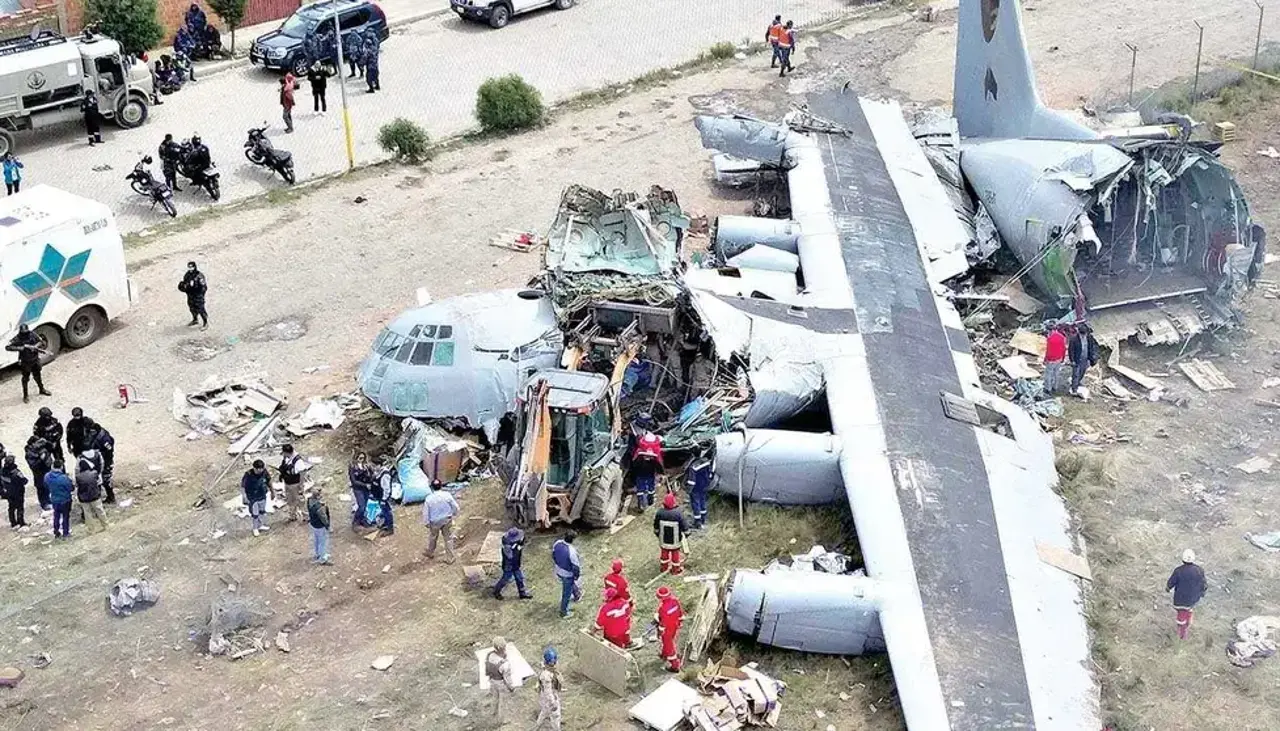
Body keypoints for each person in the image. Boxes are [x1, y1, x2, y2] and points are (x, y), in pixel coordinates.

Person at [1167, 549, 1207, 640]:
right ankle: (1188, 621)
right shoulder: (1199, 570)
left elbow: (1171, 582)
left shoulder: (1178, 571)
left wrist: (1168, 588)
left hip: (1180, 599)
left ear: (1183, 559)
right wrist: (1202, 592)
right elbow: (1204, 584)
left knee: (1181, 615)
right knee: (1189, 608)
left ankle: (1182, 635)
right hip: (1193, 599)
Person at [7, 323, 51, 402]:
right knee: (25, 379)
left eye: (26, 332)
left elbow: (41, 341)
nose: (25, 334)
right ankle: (25, 395)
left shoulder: (32, 334)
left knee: (38, 376)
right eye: (23, 332)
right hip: (25, 361)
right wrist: (22, 347)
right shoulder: (18, 338)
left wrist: (35, 346)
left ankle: (41, 389)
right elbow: (8, 347)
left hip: (35, 359)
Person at [422, 479, 460, 561]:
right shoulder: (447, 495)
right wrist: (455, 513)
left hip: (434, 521)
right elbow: (455, 506)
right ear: (441, 486)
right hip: (447, 519)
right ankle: (450, 558)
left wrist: (426, 522)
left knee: (433, 537)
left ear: (432, 488)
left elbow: (426, 512)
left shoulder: (429, 499)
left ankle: (430, 552)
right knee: (448, 538)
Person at [493, 526, 533, 600]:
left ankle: (522, 593)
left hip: (516, 564)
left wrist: (519, 544)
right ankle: (496, 591)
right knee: (505, 579)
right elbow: (510, 556)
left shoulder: (514, 542)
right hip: (508, 566)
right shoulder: (507, 546)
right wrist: (517, 548)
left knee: (519, 578)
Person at [82, 418, 116, 504]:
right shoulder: (90, 432)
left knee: (106, 479)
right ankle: (97, 498)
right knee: (95, 479)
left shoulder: (103, 437)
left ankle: (111, 497)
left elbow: (109, 450)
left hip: (105, 461)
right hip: (95, 460)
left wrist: (102, 458)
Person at [654, 492, 688, 576]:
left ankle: (664, 568)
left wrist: (658, 535)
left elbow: (656, 526)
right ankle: (675, 570)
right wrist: (686, 534)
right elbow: (684, 526)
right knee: (675, 555)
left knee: (664, 554)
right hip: (675, 541)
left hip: (663, 540)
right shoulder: (678, 514)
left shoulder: (660, 513)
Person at [531, 646, 563, 731]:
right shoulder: (547, 676)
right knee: (555, 717)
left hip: (544, 699)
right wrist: (553, 704)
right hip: (549, 700)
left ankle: (536, 727)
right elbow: (548, 692)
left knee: (544, 712)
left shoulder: (546, 669)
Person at [75, 452, 108, 533]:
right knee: (100, 511)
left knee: (87, 514)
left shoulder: (78, 477)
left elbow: (76, 485)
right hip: (94, 496)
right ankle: (105, 525)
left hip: (84, 498)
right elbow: (98, 482)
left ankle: (91, 529)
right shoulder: (94, 473)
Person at [552, 530, 582, 618]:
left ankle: (577, 595)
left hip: (558, 569)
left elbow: (553, 555)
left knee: (569, 584)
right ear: (573, 539)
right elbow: (575, 566)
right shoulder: (571, 551)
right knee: (566, 593)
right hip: (567, 573)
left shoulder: (557, 543)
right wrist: (576, 575)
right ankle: (563, 612)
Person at [654, 586, 684, 672]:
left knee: (669, 645)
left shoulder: (662, 608)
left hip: (666, 629)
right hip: (675, 625)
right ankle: (664, 654)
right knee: (668, 641)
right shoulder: (675, 601)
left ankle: (675, 665)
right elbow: (680, 613)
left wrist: (660, 631)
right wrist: (679, 622)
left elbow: (662, 623)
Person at [632, 431, 663, 510]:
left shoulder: (639, 451)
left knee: (640, 488)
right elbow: (659, 463)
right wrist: (661, 472)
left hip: (640, 472)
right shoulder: (656, 450)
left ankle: (641, 505)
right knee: (650, 486)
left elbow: (634, 462)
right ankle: (650, 501)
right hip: (650, 472)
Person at [484, 637, 515, 717]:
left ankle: (492, 712)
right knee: (503, 702)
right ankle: (502, 719)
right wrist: (511, 687)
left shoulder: (490, 655)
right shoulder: (505, 664)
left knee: (494, 697)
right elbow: (507, 678)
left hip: (492, 680)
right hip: (501, 684)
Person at [1068, 323, 1099, 396]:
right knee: (1076, 374)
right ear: (1079, 332)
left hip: (1085, 359)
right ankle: (1074, 389)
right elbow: (1071, 350)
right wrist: (1072, 360)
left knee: (1082, 372)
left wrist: (1092, 358)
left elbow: (1091, 348)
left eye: (1084, 334)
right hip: (1077, 359)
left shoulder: (1089, 338)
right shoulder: (1074, 339)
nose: (1083, 336)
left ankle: (1077, 382)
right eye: (1082, 334)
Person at [24, 435, 53, 512]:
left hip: (47, 470)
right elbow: (33, 466)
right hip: (39, 473)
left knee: (47, 487)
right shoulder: (29, 453)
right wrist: (41, 459)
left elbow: (51, 447)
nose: (39, 444)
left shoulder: (41, 447)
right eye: (37, 442)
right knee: (41, 488)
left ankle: (48, 500)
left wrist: (46, 442)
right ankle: (44, 504)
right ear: (32, 443)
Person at [242, 459, 270, 537]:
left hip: (262, 495)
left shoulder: (264, 472)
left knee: (262, 511)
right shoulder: (248, 474)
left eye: (261, 469)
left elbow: (269, 481)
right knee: (255, 513)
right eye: (258, 469)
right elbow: (243, 486)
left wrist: (272, 491)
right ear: (254, 468)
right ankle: (255, 528)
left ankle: (260, 525)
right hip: (252, 497)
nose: (260, 471)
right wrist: (244, 496)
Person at [685, 448, 712, 529]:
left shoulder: (693, 466)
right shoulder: (706, 462)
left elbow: (691, 481)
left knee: (695, 504)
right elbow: (710, 474)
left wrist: (688, 490)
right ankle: (703, 519)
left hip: (696, 488)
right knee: (703, 502)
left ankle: (697, 522)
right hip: (704, 487)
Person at [278, 444, 305, 522]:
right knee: (290, 500)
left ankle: (306, 516)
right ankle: (292, 515)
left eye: (284, 452)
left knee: (299, 500)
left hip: (295, 484)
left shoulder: (298, 460)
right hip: (287, 483)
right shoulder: (286, 458)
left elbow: (302, 473)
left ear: (287, 452)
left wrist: (301, 485)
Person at [46, 462, 73, 539]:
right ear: (61, 467)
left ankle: (56, 531)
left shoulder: (47, 476)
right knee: (65, 517)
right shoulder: (64, 478)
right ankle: (65, 533)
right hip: (65, 500)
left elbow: (46, 485)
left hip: (54, 500)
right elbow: (70, 488)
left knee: (56, 516)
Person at [348, 453, 375, 528]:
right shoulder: (353, 467)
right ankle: (355, 521)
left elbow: (372, 474)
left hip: (366, 488)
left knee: (365, 505)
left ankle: (362, 519)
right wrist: (365, 485)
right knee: (361, 506)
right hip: (358, 488)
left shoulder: (366, 466)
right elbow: (354, 481)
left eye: (363, 458)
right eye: (360, 458)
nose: (361, 460)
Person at [178, 262, 208, 328]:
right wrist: (184, 287)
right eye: (189, 267)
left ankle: (205, 322)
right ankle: (195, 319)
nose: (190, 268)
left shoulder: (199, 276)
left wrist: (200, 294)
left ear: (194, 267)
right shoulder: (187, 275)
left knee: (200, 309)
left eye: (191, 267)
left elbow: (204, 287)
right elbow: (185, 283)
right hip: (190, 295)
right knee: (192, 308)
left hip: (198, 295)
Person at [1, 455, 28, 529]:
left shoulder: (2, 472)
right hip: (18, 492)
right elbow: (24, 481)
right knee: (20, 507)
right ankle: (21, 522)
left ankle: (13, 522)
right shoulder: (16, 472)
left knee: (11, 508)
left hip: (9, 492)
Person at [308, 487, 332, 564]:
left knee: (316, 540)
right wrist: (327, 526)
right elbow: (323, 518)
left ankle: (317, 554)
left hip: (313, 524)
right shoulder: (319, 507)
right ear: (318, 496)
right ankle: (322, 558)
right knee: (322, 542)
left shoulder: (309, 501)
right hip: (320, 526)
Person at [373, 456, 396, 535]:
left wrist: (384, 499)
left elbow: (386, 489)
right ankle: (386, 524)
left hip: (384, 497)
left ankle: (390, 529)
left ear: (379, 465)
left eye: (375, 466)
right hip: (380, 496)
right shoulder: (379, 472)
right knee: (384, 511)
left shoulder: (385, 475)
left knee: (387, 512)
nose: (374, 468)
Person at [1042, 324, 1068, 394]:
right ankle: (1055, 387)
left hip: (1051, 360)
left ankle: (1048, 389)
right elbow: (1064, 348)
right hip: (1059, 358)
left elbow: (1048, 351)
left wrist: (1045, 360)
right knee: (1056, 373)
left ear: (1049, 330)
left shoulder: (1050, 339)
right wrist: (1063, 358)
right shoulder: (1062, 337)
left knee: (1048, 374)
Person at [362, 28, 380, 93]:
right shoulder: (373, 47)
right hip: (374, 63)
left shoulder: (368, 50)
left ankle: (371, 89)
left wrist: (362, 63)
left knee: (369, 77)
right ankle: (377, 86)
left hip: (370, 64)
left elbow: (365, 57)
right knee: (375, 74)